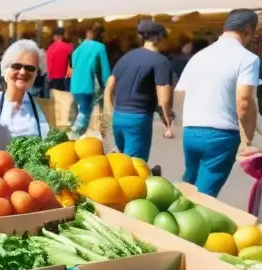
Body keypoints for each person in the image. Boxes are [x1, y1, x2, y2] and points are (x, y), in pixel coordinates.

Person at [176, 9, 261, 196]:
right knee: (204, 197)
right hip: (221, 135)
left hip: (191, 131)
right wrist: (247, 139)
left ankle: (167, 221)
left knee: (188, 187)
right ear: (247, 29)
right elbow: (244, 101)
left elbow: (181, 93)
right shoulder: (247, 59)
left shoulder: (198, 56)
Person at [103, 20, 174, 161]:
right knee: (135, 167)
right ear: (160, 38)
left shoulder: (126, 58)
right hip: (138, 118)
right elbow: (164, 99)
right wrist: (168, 124)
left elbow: (109, 86)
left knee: (123, 164)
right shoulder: (161, 61)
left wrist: (110, 110)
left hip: (119, 116)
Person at [70, 24, 110, 135]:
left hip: (75, 86)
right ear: (98, 33)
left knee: (81, 111)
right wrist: (108, 86)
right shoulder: (100, 47)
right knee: (85, 113)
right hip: (90, 85)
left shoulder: (77, 49)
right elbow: (105, 70)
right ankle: (71, 134)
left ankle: (78, 137)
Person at [45, 27, 73, 91]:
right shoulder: (68, 47)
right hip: (63, 80)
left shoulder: (50, 48)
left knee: (54, 99)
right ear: (61, 36)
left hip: (51, 79)